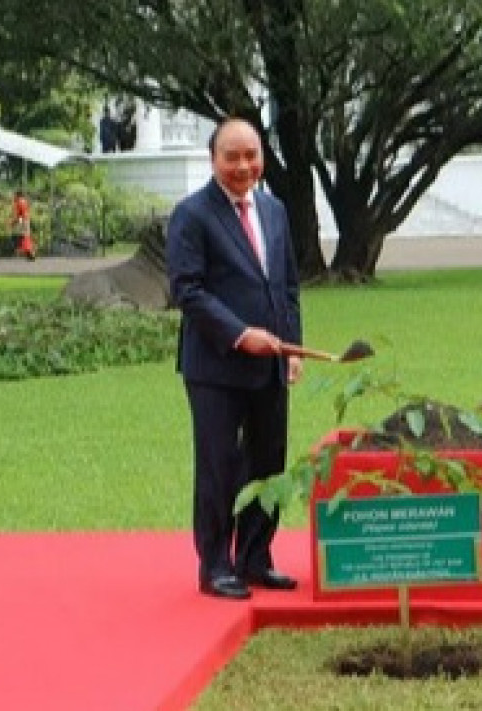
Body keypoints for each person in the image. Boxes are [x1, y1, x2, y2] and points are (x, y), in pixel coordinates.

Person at [166, 117, 303, 600]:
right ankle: (216, 565)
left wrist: (290, 347)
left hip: (271, 364)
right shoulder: (192, 214)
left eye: (252, 155)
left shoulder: (275, 209)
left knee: (269, 463)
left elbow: (286, 286)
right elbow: (188, 290)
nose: (244, 165)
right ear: (214, 159)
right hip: (215, 368)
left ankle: (255, 558)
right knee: (220, 465)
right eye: (233, 156)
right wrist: (241, 335)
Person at [11, 190, 36, 261]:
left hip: (22, 220)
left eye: (14, 195)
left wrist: (14, 222)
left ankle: (27, 252)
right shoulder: (24, 201)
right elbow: (27, 211)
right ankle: (29, 253)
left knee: (22, 237)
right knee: (26, 236)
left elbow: (18, 214)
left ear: (18, 195)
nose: (13, 196)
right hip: (26, 220)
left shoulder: (18, 202)